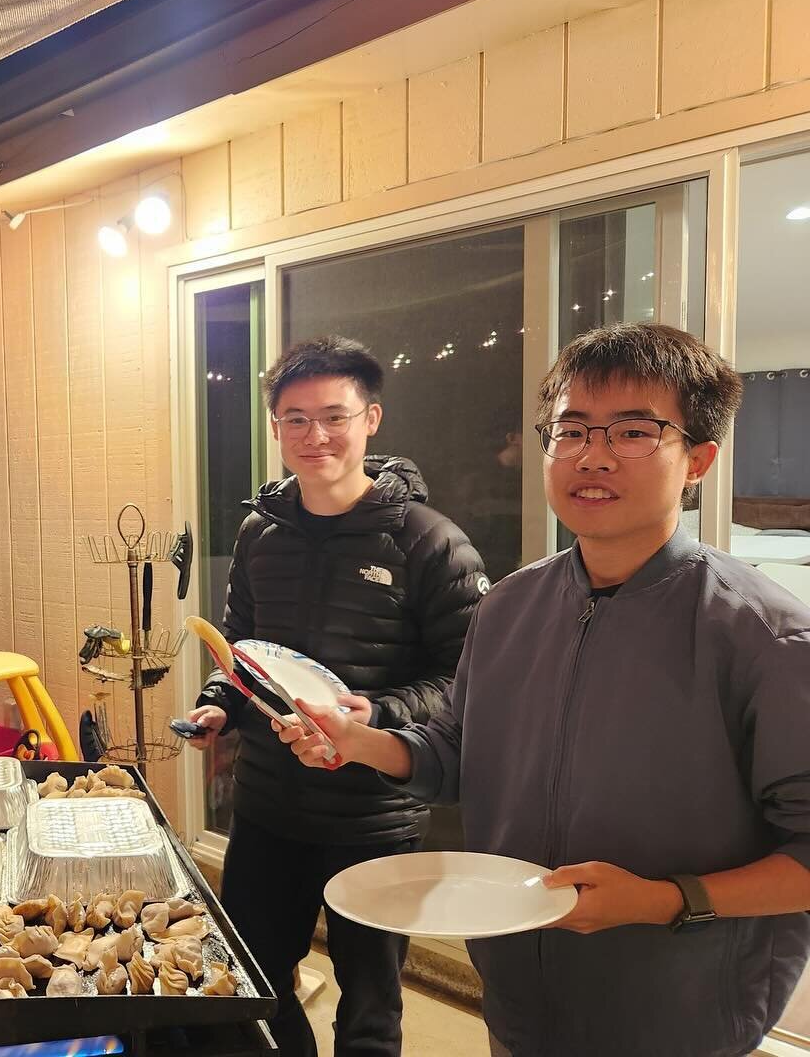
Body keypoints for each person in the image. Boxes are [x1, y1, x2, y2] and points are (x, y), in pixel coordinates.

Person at [276, 323, 810, 1057]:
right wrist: (360, 743)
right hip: (519, 998)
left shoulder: (762, 634)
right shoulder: (510, 605)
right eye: (571, 430)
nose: (593, 456)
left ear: (699, 460)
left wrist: (664, 901)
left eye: (632, 431)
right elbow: (462, 749)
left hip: (678, 1016)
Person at [183, 336, 486, 1056]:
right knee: (255, 984)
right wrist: (219, 703)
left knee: (371, 1006)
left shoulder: (430, 543)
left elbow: (464, 680)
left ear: (371, 419)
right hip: (268, 806)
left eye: (334, 416)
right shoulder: (261, 532)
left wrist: (375, 716)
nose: (315, 436)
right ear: (276, 427)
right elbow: (242, 647)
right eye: (295, 419)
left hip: (373, 816)